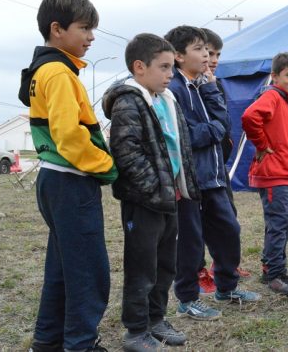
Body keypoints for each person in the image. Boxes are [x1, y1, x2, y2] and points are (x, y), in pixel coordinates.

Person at [19, 0, 117, 352]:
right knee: (88, 272)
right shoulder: (59, 72)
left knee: (62, 268)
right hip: (71, 182)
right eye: (85, 28)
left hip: (53, 180)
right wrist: (107, 166)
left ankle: (47, 342)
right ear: (57, 29)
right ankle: (81, 344)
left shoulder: (42, 69)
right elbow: (68, 135)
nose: (91, 37)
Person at [103, 33, 199, 351]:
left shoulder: (164, 101)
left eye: (172, 67)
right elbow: (126, 152)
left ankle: (156, 319)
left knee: (164, 265)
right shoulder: (129, 102)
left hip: (168, 199)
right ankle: (135, 330)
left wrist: (176, 188)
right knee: (141, 268)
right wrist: (152, 188)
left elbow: (178, 148)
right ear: (139, 67)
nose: (170, 74)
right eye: (164, 67)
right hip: (144, 202)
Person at [166, 25, 260, 321]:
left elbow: (223, 123)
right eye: (199, 49)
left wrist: (209, 89)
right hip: (190, 179)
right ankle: (187, 299)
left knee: (228, 230)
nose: (206, 55)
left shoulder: (202, 85)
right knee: (191, 242)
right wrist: (215, 130)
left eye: (208, 50)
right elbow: (186, 136)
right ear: (179, 56)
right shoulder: (174, 89)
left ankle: (226, 287)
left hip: (214, 176)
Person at [241, 52, 288, 296]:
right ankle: (274, 273)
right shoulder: (272, 96)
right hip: (273, 174)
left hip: (284, 173)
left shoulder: (283, 102)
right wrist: (261, 144)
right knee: (278, 224)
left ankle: (276, 269)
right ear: (274, 76)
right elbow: (249, 117)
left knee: (281, 222)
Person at [195, 28, 251, 296]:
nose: (212, 58)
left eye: (217, 54)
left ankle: (224, 271)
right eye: (208, 52)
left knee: (228, 223)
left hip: (218, 167)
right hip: (197, 169)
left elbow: (224, 122)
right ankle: (199, 272)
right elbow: (206, 128)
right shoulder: (182, 87)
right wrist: (216, 131)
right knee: (195, 229)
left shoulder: (214, 84)